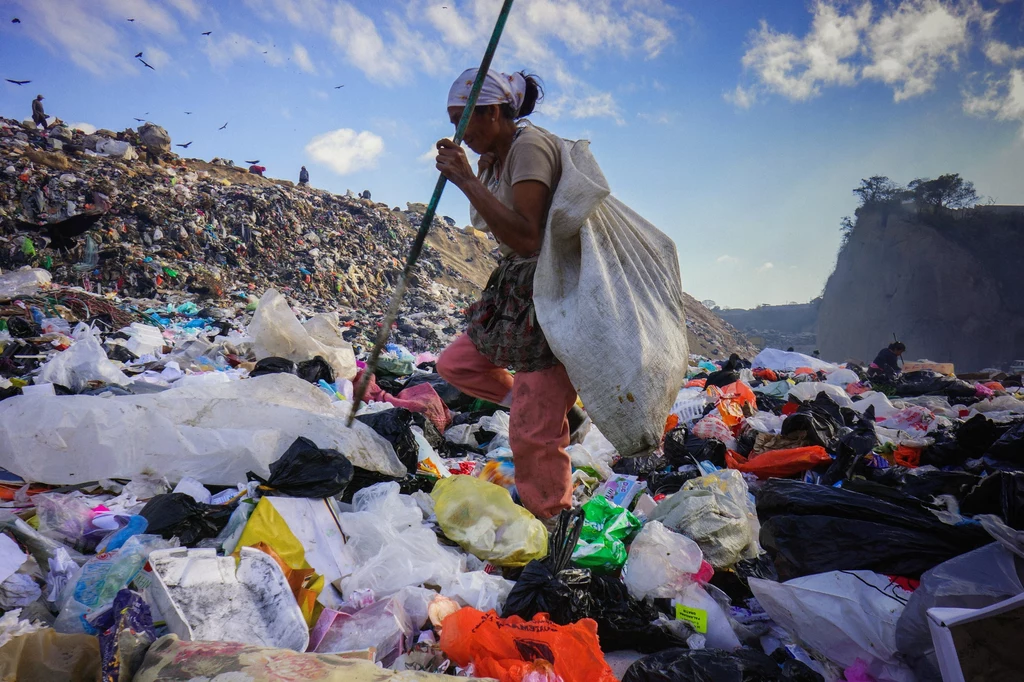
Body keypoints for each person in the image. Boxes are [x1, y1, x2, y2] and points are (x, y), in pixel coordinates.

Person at [433, 67, 577, 522]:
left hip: (551, 289)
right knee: (457, 363)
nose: (458, 131)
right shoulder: (495, 159)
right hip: (516, 287)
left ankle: (551, 525)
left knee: (532, 435)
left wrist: (465, 180)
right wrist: (474, 173)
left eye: (464, 118)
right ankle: (547, 412)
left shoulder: (530, 147)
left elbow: (529, 238)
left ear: (494, 112)